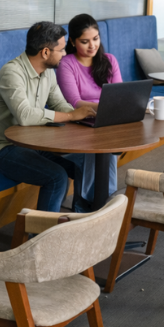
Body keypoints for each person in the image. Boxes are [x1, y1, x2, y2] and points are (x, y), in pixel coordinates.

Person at [0, 21, 96, 212]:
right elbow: (25, 115)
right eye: (62, 50)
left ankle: (79, 219)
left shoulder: (48, 73)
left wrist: (86, 117)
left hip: (30, 143)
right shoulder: (12, 72)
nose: (65, 55)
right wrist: (72, 115)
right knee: (57, 177)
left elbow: (60, 105)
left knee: (80, 168)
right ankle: (40, 236)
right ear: (46, 52)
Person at [56, 14, 123, 212]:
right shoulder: (67, 64)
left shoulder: (109, 60)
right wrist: (101, 108)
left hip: (107, 120)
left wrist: (110, 109)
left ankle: (93, 204)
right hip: (78, 121)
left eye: (96, 39)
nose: (92, 46)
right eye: (84, 41)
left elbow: (118, 95)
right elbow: (74, 102)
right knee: (98, 147)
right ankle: (95, 203)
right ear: (72, 41)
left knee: (104, 145)